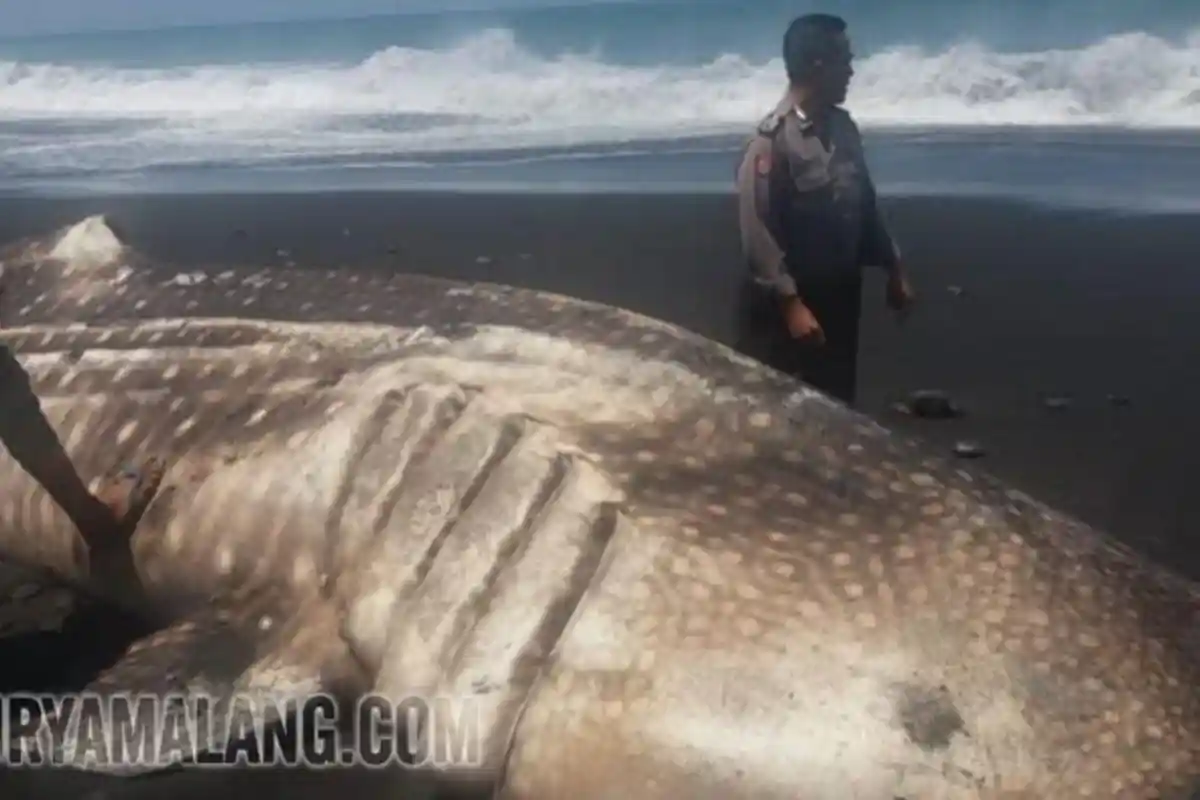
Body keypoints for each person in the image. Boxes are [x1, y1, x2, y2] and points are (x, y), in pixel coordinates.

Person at [734, 13, 914, 406]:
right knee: (783, 406)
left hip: (840, 294)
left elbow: (863, 202)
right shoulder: (772, 141)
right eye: (844, 59)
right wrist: (790, 304)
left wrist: (893, 267)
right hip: (791, 305)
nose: (851, 70)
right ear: (818, 65)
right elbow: (758, 231)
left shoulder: (844, 129)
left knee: (836, 403)